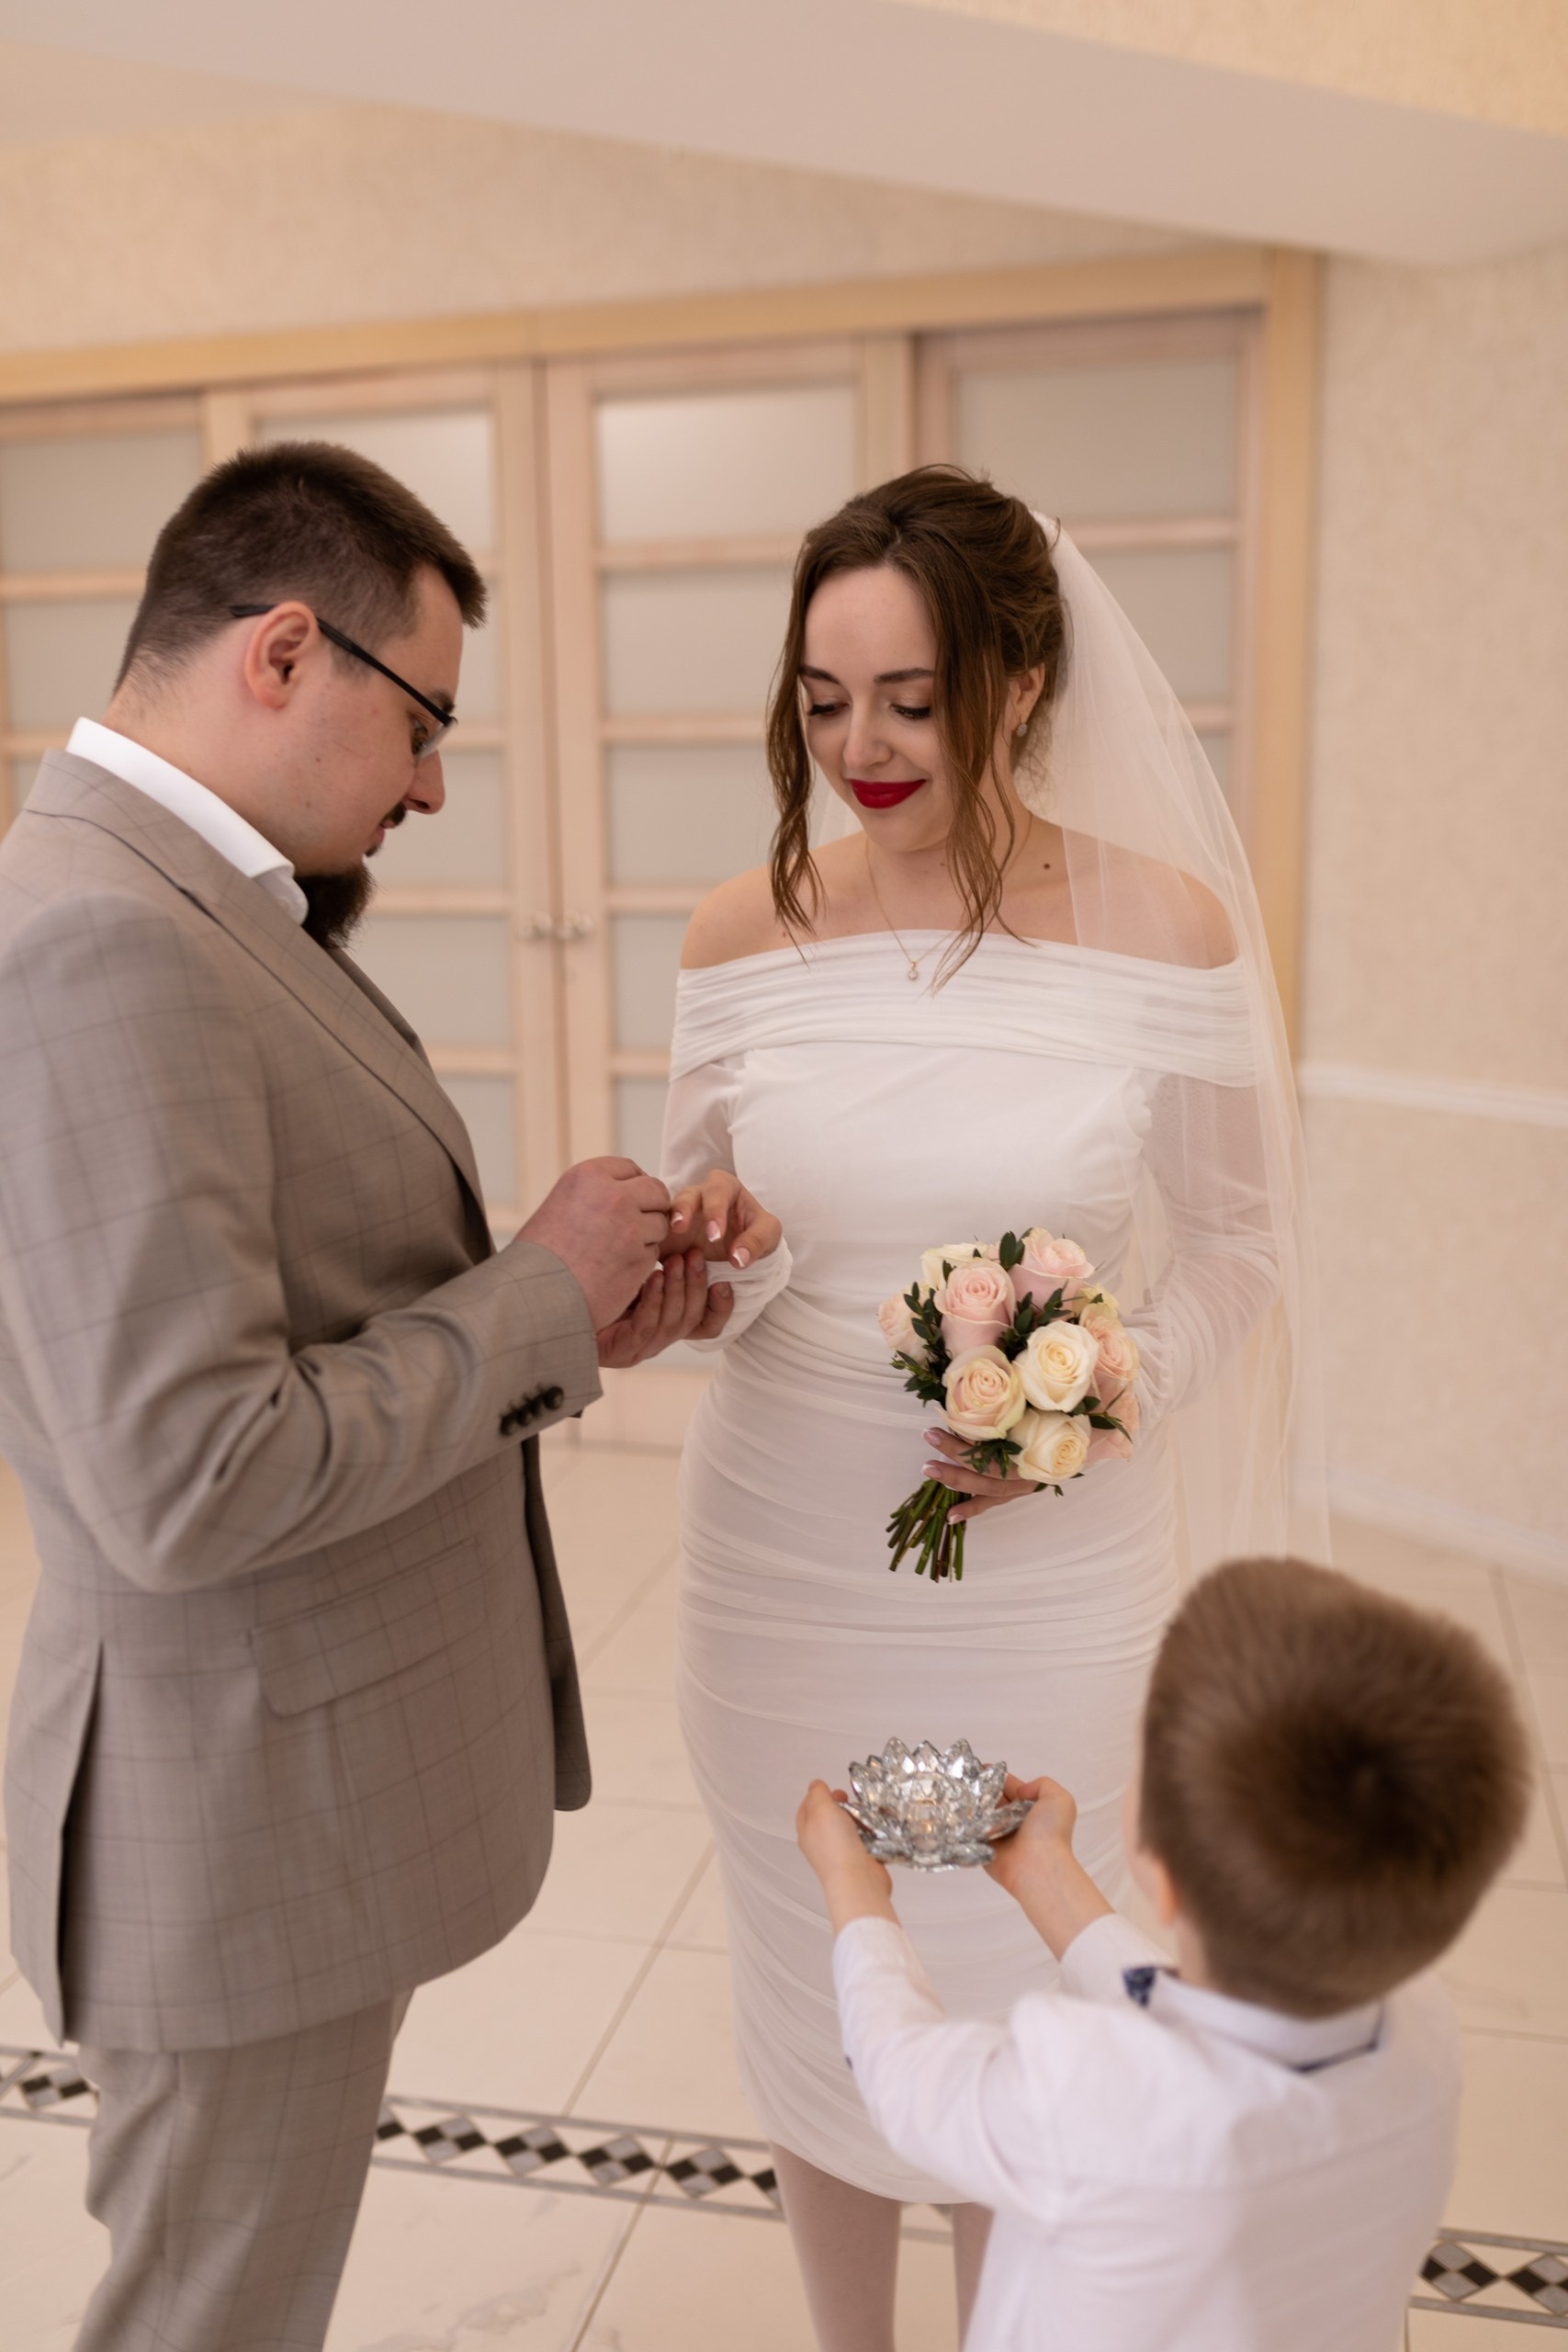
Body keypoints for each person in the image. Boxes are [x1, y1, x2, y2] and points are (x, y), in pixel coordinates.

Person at [0, 442, 772, 2352]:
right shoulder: (101, 935)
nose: (430, 783)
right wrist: (528, 1298)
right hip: (230, 1811)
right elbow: (187, 1473)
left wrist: (571, 1313)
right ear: (282, 651)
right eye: (424, 720)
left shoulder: (195, 900)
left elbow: (294, 1311)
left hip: (292, 1789)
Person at [661, 467, 1321, 2346]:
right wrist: (717, 1248)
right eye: (821, 701)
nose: (858, 749)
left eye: (911, 699)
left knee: (1010, 1983)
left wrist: (1100, 1396)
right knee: (817, 1966)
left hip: (1045, 1586)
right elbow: (709, 1253)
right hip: (780, 1558)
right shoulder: (736, 936)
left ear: (1019, 684)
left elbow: (1243, 1244)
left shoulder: (1163, 931)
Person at [796, 1555, 1532, 2352]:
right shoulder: (1423, 2031)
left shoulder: (1083, 2094)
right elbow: (1208, 2034)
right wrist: (1049, 1879)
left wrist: (854, 1891)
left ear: (1162, 1876)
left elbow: (903, 2077)